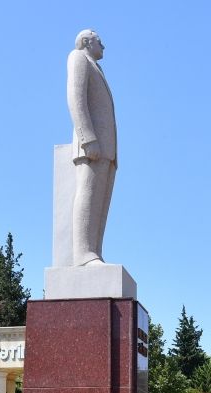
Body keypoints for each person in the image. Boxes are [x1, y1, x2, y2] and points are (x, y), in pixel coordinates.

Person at [67, 29, 117, 266]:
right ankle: (83, 254)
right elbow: (75, 97)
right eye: (100, 41)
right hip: (92, 145)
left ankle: (94, 251)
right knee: (87, 193)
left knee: (100, 202)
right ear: (87, 42)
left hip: (106, 148)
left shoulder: (96, 67)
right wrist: (87, 138)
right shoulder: (78, 58)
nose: (103, 46)